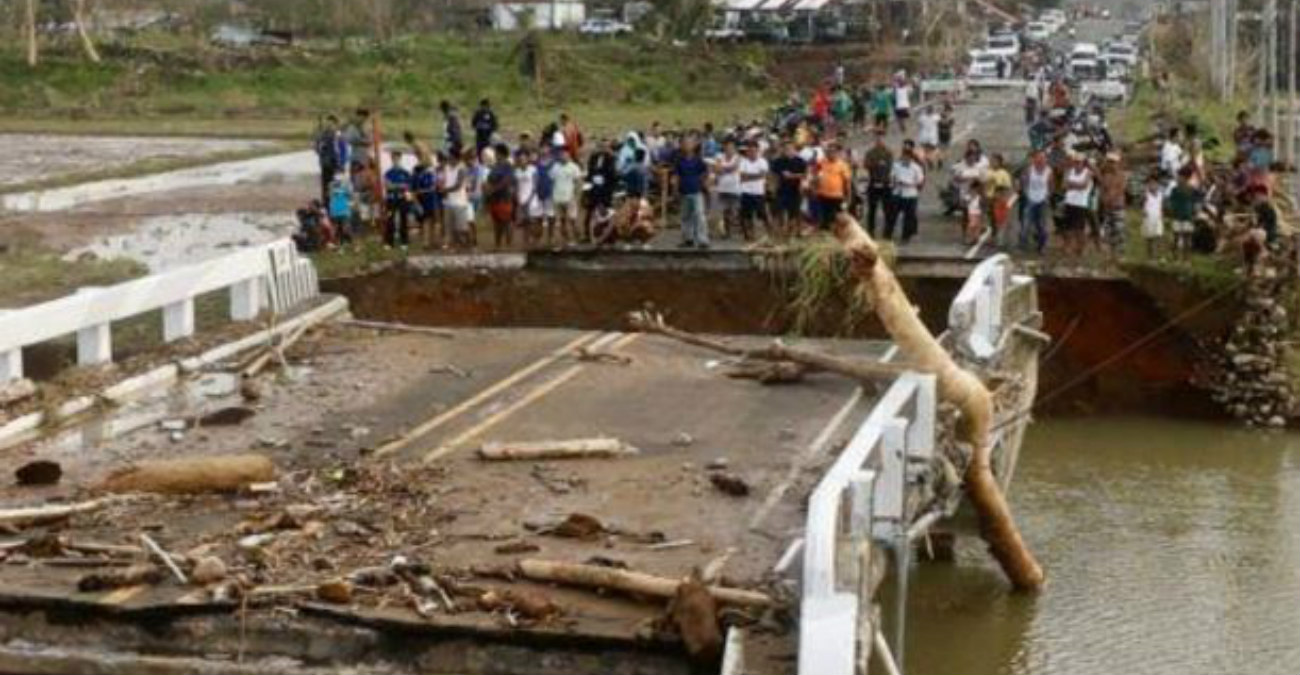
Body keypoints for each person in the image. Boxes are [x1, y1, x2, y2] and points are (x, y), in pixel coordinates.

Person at [674, 139, 711, 249]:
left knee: (699, 215)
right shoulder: (679, 160)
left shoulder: (698, 160)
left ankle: (702, 239)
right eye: (684, 144)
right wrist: (675, 190)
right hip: (684, 192)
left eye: (689, 144)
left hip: (696, 191)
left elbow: (705, 171)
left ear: (693, 146)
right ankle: (687, 239)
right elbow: (677, 176)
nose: (686, 146)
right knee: (685, 217)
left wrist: (702, 182)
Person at [888, 140, 925, 243]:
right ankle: (888, 235)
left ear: (911, 158)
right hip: (897, 193)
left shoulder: (916, 168)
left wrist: (910, 184)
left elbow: (920, 182)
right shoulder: (896, 165)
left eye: (907, 157)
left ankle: (906, 237)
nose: (905, 159)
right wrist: (895, 182)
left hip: (910, 194)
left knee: (908, 217)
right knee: (892, 215)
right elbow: (891, 177)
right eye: (904, 157)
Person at [770, 140, 807, 239]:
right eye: (786, 149)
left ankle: (791, 233)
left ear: (795, 150)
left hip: (795, 190)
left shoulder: (800, 161)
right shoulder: (778, 161)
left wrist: (793, 176)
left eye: (790, 149)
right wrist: (772, 188)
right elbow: (773, 175)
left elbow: (806, 175)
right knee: (779, 212)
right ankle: (779, 232)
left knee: (794, 213)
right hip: (781, 190)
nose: (788, 151)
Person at [813, 143, 852, 230]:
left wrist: (848, 198)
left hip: (837, 197)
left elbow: (847, 182)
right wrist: (814, 189)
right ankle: (826, 236)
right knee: (824, 221)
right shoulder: (820, 163)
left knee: (838, 220)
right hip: (823, 196)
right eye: (829, 151)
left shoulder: (842, 165)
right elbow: (814, 176)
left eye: (833, 151)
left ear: (837, 152)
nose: (831, 153)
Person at [585, 139, 618, 242]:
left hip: (606, 189)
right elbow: (590, 171)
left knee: (607, 212)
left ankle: (609, 236)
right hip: (594, 188)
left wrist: (604, 179)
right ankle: (588, 235)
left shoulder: (611, 158)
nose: (603, 148)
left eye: (605, 146)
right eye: (601, 146)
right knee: (591, 211)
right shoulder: (593, 157)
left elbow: (613, 174)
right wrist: (591, 180)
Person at [1019, 150, 1052, 255]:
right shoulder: (1029, 170)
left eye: (1043, 158)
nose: (1041, 160)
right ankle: (1023, 245)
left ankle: (1042, 247)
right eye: (1039, 157)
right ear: (1035, 159)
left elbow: (1051, 185)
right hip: (1031, 200)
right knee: (1026, 224)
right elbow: (1024, 182)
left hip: (1043, 200)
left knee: (1042, 226)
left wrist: (1047, 196)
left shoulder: (1049, 171)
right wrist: (1026, 194)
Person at [1061, 154, 1094, 258]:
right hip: (1069, 202)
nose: (1076, 164)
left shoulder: (1088, 172)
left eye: (1079, 162)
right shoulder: (1069, 171)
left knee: (1079, 229)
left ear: (1083, 163)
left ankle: (1082, 248)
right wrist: (1076, 185)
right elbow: (1063, 185)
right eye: (1075, 162)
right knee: (1068, 228)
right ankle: (1069, 247)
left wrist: (1071, 184)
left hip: (1081, 204)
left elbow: (1084, 186)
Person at [1166, 167, 1202, 261]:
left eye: (1179, 176)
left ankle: (1186, 259)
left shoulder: (1192, 190)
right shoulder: (1175, 189)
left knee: (1187, 239)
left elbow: (1197, 203)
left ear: (1186, 178)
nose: (1178, 178)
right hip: (1177, 216)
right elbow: (1170, 202)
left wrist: (1195, 214)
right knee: (1175, 238)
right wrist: (1170, 211)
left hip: (1188, 216)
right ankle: (1174, 257)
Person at [550, 148, 584, 246]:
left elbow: (579, 182)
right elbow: (552, 181)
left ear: (569, 156)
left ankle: (577, 237)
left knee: (572, 220)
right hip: (557, 198)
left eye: (565, 155)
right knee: (560, 221)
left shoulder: (574, 167)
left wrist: (577, 196)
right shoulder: (555, 167)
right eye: (561, 155)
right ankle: (564, 241)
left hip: (570, 198)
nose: (563, 156)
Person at [1096, 153, 1128, 260]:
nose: (1111, 164)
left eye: (1113, 162)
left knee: (1119, 231)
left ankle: (1120, 255)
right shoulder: (1105, 175)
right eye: (1110, 162)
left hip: (1118, 206)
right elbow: (1102, 189)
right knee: (1109, 231)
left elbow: (1120, 190)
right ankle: (1111, 254)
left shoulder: (1122, 175)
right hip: (1108, 207)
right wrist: (1104, 199)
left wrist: (1109, 198)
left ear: (1117, 163)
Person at [862, 131, 894, 237]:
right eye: (877, 139)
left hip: (886, 184)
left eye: (881, 139)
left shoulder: (889, 152)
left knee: (888, 210)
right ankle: (871, 231)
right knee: (872, 209)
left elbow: (889, 166)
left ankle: (887, 232)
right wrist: (877, 164)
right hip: (873, 183)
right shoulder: (869, 153)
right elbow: (866, 165)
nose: (879, 141)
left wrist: (879, 164)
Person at [485, 144, 516, 249]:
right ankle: (498, 244)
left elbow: (506, 181)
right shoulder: (495, 166)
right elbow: (489, 180)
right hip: (495, 198)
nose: (495, 154)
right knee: (497, 222)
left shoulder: (508, 165)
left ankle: (509, 244)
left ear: (501, 153)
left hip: (504, 197)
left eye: (496, 152)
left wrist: (493, 189)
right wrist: (488, 190)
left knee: (506, 222)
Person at [737, 142, 770, 241]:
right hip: (745, 192)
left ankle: (768, 233)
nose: (751, 153)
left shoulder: (762, 161)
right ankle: (749, 235)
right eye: (749, 151)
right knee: (746, 216)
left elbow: (763, 175)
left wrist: (749, 176)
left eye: (754, 151)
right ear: (747, 152)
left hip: (758, 192)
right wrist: (757, 176)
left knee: (762, 215)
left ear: (758, 151)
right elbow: (742, 177)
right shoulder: (743, 162)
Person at [442, 150, 473, 249]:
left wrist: (445, 190)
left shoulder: (462, 169)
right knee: (452, 227)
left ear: (457, 159)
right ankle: (457, 245)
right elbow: (445, 181)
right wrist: (443, 188)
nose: (449, 160)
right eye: (449, 158)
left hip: (460, 202)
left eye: (451, 158)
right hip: (449, 202)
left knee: (462, 228)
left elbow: (458, 185)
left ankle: (469, 244)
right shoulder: (446, 167)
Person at [383, 149, 413, 248]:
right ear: (391, 159)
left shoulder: (405, 173)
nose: (395, 160)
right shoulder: (388, 173)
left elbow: (408, 187)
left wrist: (395, 185)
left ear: (400, 159)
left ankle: (404, 242)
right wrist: (400, 186)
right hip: (391, 199)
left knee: (403, 220)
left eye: (397, 158)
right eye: (393, 158)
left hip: (402, 199)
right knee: (390, 220)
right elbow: (388, 186)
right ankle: (389, 242)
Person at [712, 140, 743, 239]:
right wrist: (725, 169)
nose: (729, 149)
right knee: (725, 212)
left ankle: (741, 228)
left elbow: (734, 168)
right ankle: (727, 232)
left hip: (735, 188)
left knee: (735, 211)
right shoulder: (719, 156)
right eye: (727, 147)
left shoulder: (738, 157)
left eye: (731, 147)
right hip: (723, 188)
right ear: (724, 148)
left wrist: (723, 169)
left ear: (734, 148)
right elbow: (716, 169)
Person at [514, 148, 541, 247]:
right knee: (525, 222)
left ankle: (535, 239)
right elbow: (516, 187)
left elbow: (535, 186)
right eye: (520, 160)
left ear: (527, 159)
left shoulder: (533, 169)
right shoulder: (516, 171)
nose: (522, 161)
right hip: (521, 198)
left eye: (524, 159)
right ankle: (526, 240)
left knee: (532, 220)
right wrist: (518, 199)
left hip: (532, 199)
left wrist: (529, 200)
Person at [314, 115, 344, 204]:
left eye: (332, 123)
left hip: (333, 164)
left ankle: (333, 205)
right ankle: (328, 204)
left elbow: (342, 150)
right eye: (328, 123)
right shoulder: (324, 135)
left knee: (335, 185)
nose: (329, 125)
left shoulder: (337, 135)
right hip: (328, 164)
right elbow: (317, 148)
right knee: (329, 185)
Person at [986, 154, 1014, 248]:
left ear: (1000, 162)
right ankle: (994, 238)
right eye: (992, 161)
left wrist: (1004, 197)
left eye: (995, 161)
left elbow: (1008, 187)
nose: (993, 163)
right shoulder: (988, 172)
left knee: (1001, 221)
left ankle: (1001, 240)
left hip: (999, 199)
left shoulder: (1004, 173)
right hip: (989, 199)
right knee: (991, 221)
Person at [412, 157, 441, 248]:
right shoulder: (418, 175)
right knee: (427, 221)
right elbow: (415, 191)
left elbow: (434, 187)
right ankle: (427, 242)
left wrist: (423, 191)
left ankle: (435, 241)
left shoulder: (431, 174)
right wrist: (417, 203)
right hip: (425, 201)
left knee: (435, 221)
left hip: (433, 200)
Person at [1141, 176, 1165, 259]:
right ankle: (1151, 256)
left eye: (1154, 183)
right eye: (1150, 184)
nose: (1152, 185)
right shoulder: (1146, 194)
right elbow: (1143, 203)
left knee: (1159, 237)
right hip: (1148, 219)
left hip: (1157, 218)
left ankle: (1161, 256)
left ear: (1158, 185)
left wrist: (1162, 215)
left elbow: (1161, 206)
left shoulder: (1160, 194)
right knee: (1150, 239)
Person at [327, 177, 354, 244]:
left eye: (339, 181)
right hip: (336, 212)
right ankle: (340, 241)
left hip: (344, 211)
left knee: (345, 228)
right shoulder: (331, 189)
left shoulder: (345, 189)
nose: (337, 183)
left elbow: (350, 195)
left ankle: (348, 240)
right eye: (336, 181)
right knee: (338, 228)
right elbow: (330, 196)